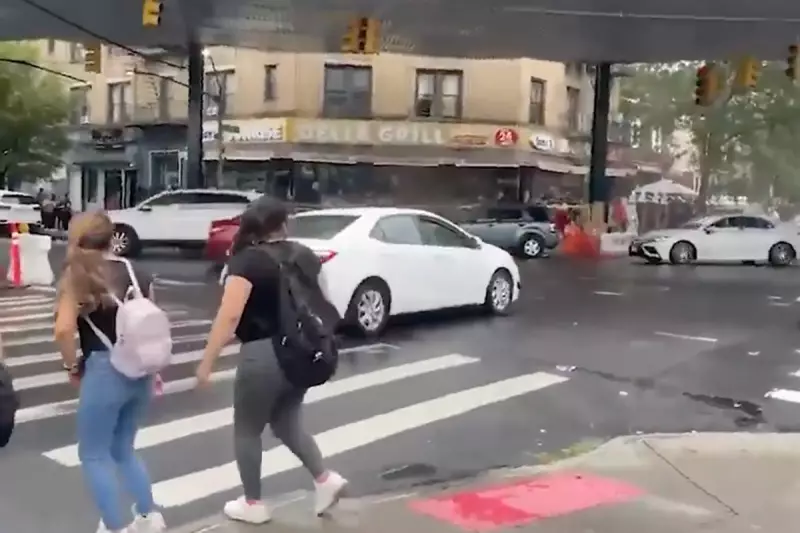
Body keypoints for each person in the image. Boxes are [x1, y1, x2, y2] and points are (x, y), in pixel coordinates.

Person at [195, 196, 347, 524]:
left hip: (263, 353)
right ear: (283, 225)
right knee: (286, 421)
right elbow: (323, 301)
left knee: (247, 430)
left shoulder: (247, 261)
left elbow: (230, 315)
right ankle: (324, 480)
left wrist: (207, 362)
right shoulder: (304, 255)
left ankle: (253, 503)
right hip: (303, 352)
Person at [53, 211, 165, 533]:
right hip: (141, 369)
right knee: (124, 449)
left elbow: (63, 330)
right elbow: (151, 319)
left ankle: (115, 527)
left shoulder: (78, 275)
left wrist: (71, 365)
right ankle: (147, 516)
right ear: (110, 236)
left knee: (93, 454)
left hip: (104, 369)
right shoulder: (136, 270)